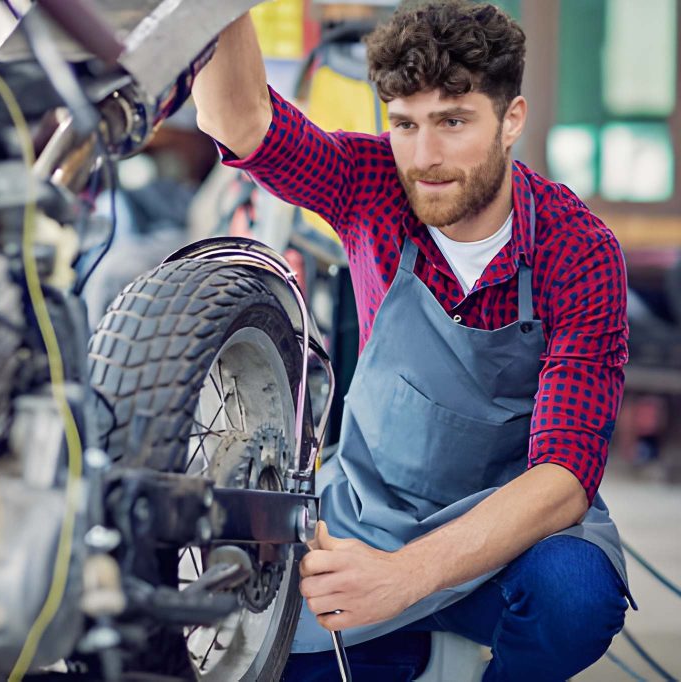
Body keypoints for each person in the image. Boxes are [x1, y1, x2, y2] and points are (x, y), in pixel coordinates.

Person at [191, 2, 632, 680]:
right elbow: (242, 121)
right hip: (369, 518)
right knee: (261, 653)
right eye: (405, 124)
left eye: (453, 122)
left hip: (508, 535)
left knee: (574, 597)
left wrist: (404, 577)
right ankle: (403, 648)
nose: (424, 158)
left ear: (511, 119)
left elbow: (564, 479)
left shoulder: (576, 249)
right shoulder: (370, 186)